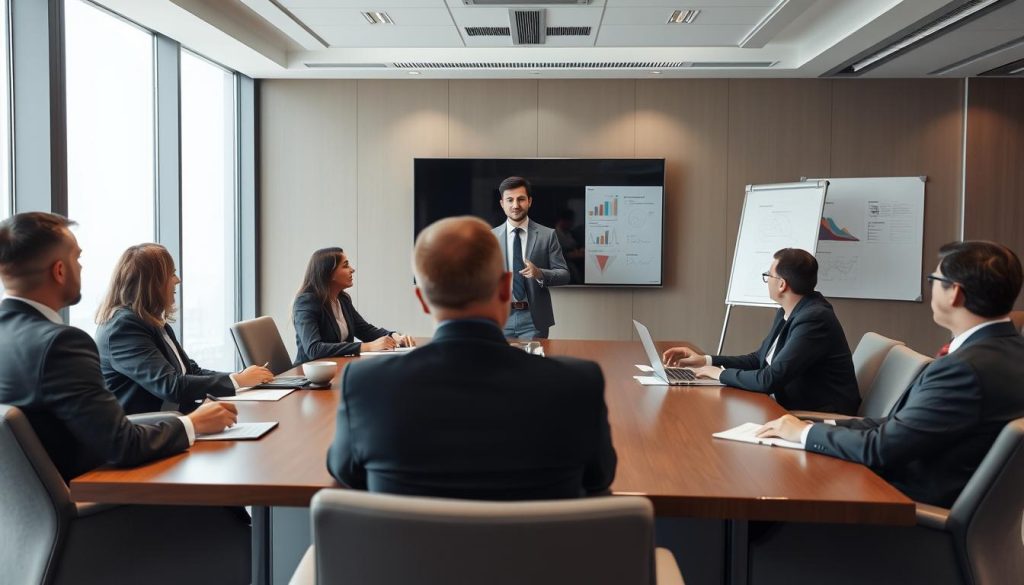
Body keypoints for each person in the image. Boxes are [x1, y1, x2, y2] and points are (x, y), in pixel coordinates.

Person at [327, 216, 616, 500]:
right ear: (505, 287)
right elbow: (598, 478)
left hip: (412, 548)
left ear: (423, 300)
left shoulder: (366, 385)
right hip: (534, 548)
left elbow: (346, 473)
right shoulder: (578, 384)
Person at [756, 241, 1024, 507]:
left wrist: (805, 434)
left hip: (898, 507)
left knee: (767, 488)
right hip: (917, 492)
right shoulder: (1009, 351)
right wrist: (813, 427)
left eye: (934, 279)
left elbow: (880, 449)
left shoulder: (963, 370)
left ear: (954, 293)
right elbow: (900, 426)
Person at [0, 213, 238, 481]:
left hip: (32, 513)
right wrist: (193, 424)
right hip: (99, 499)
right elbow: (123, 445)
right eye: (77, 258)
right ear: (59, 270)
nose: (81, 267)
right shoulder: (61, 345)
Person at [662, 248, 860, 415]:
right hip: (784, 404)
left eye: (769, 276)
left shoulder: (814, 319)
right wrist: (706, 361)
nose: (767, 280)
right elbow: (759, 360)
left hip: (819, 414)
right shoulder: (788, 311)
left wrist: (719, 375)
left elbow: (769, 379)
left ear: (782, 284)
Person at [94, 244, 274, 414]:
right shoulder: (123, 328)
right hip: (148, 433)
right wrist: (237, 381)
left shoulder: (151, 321)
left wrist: (240, 377)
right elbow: (170, 386)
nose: (177, 280)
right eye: (171, 274)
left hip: (174, 420)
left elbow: (190, 371)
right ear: (152, 283)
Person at [293, 246, 414, 363]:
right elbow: (314, 349)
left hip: (338, 368)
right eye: (345, 266)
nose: (352, 269)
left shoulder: (343, 299)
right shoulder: (306, 302)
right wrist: (366, 347)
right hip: (309, 376)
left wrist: (394, 336)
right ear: (329, 273)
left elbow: (365, 330)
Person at [491, 176, 570, 339]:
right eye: (510, 200)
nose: (515, 205)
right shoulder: (489, 237)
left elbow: (564, 274)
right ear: (502, 204)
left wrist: (539, 273)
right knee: (500, 365)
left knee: (533, 364)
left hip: (533, 320)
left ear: (530, 201)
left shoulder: (547, 235)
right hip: (499, 318)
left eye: (521, 199)